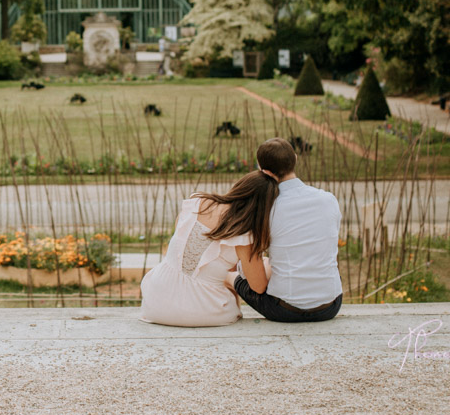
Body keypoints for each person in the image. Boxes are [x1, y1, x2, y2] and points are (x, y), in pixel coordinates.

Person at [140, 171, 278, 327]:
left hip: (156, 301)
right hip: (203, 311)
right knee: (261, 268)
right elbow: (258, 287)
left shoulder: (198, 202)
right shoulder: (245, 235)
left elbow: (180, 237)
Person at [227, 137, 342, 323]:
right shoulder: (329, 200)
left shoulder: (266, 209)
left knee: (229, 274)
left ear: (263, 171)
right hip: (330, 306)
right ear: (295, 159)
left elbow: (257, 285)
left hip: (285, 309)